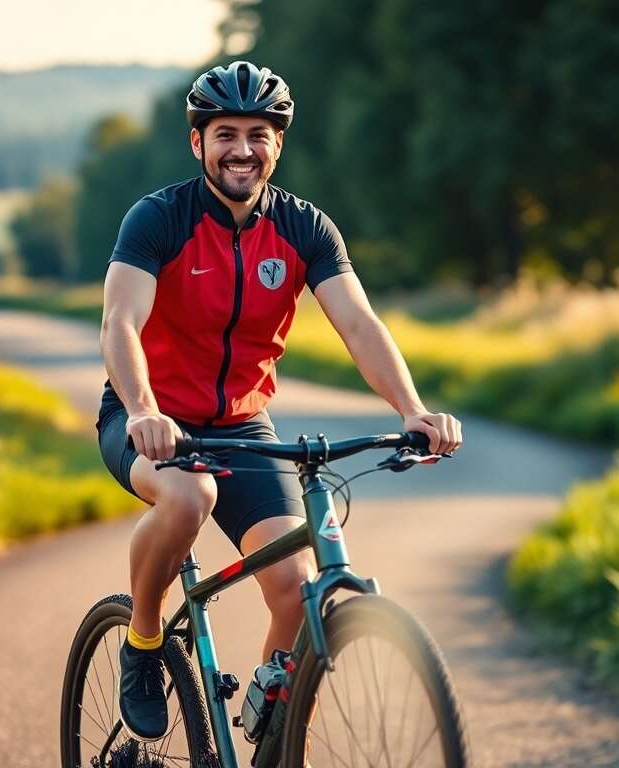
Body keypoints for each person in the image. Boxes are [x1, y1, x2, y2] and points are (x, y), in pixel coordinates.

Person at [96, 60, 463, 741]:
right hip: (146, 418)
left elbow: (358, 323)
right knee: (188, 498)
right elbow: (120, 320)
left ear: (278, 144)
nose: (242, 148)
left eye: (258, 134)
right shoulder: (159, 218)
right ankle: (143, 644)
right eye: (225, 132)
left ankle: (273, 735)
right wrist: (144, 409)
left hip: (241, 426)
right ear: (197, 142)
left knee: (297, 590)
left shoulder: (304, 228)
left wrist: (411, 411)